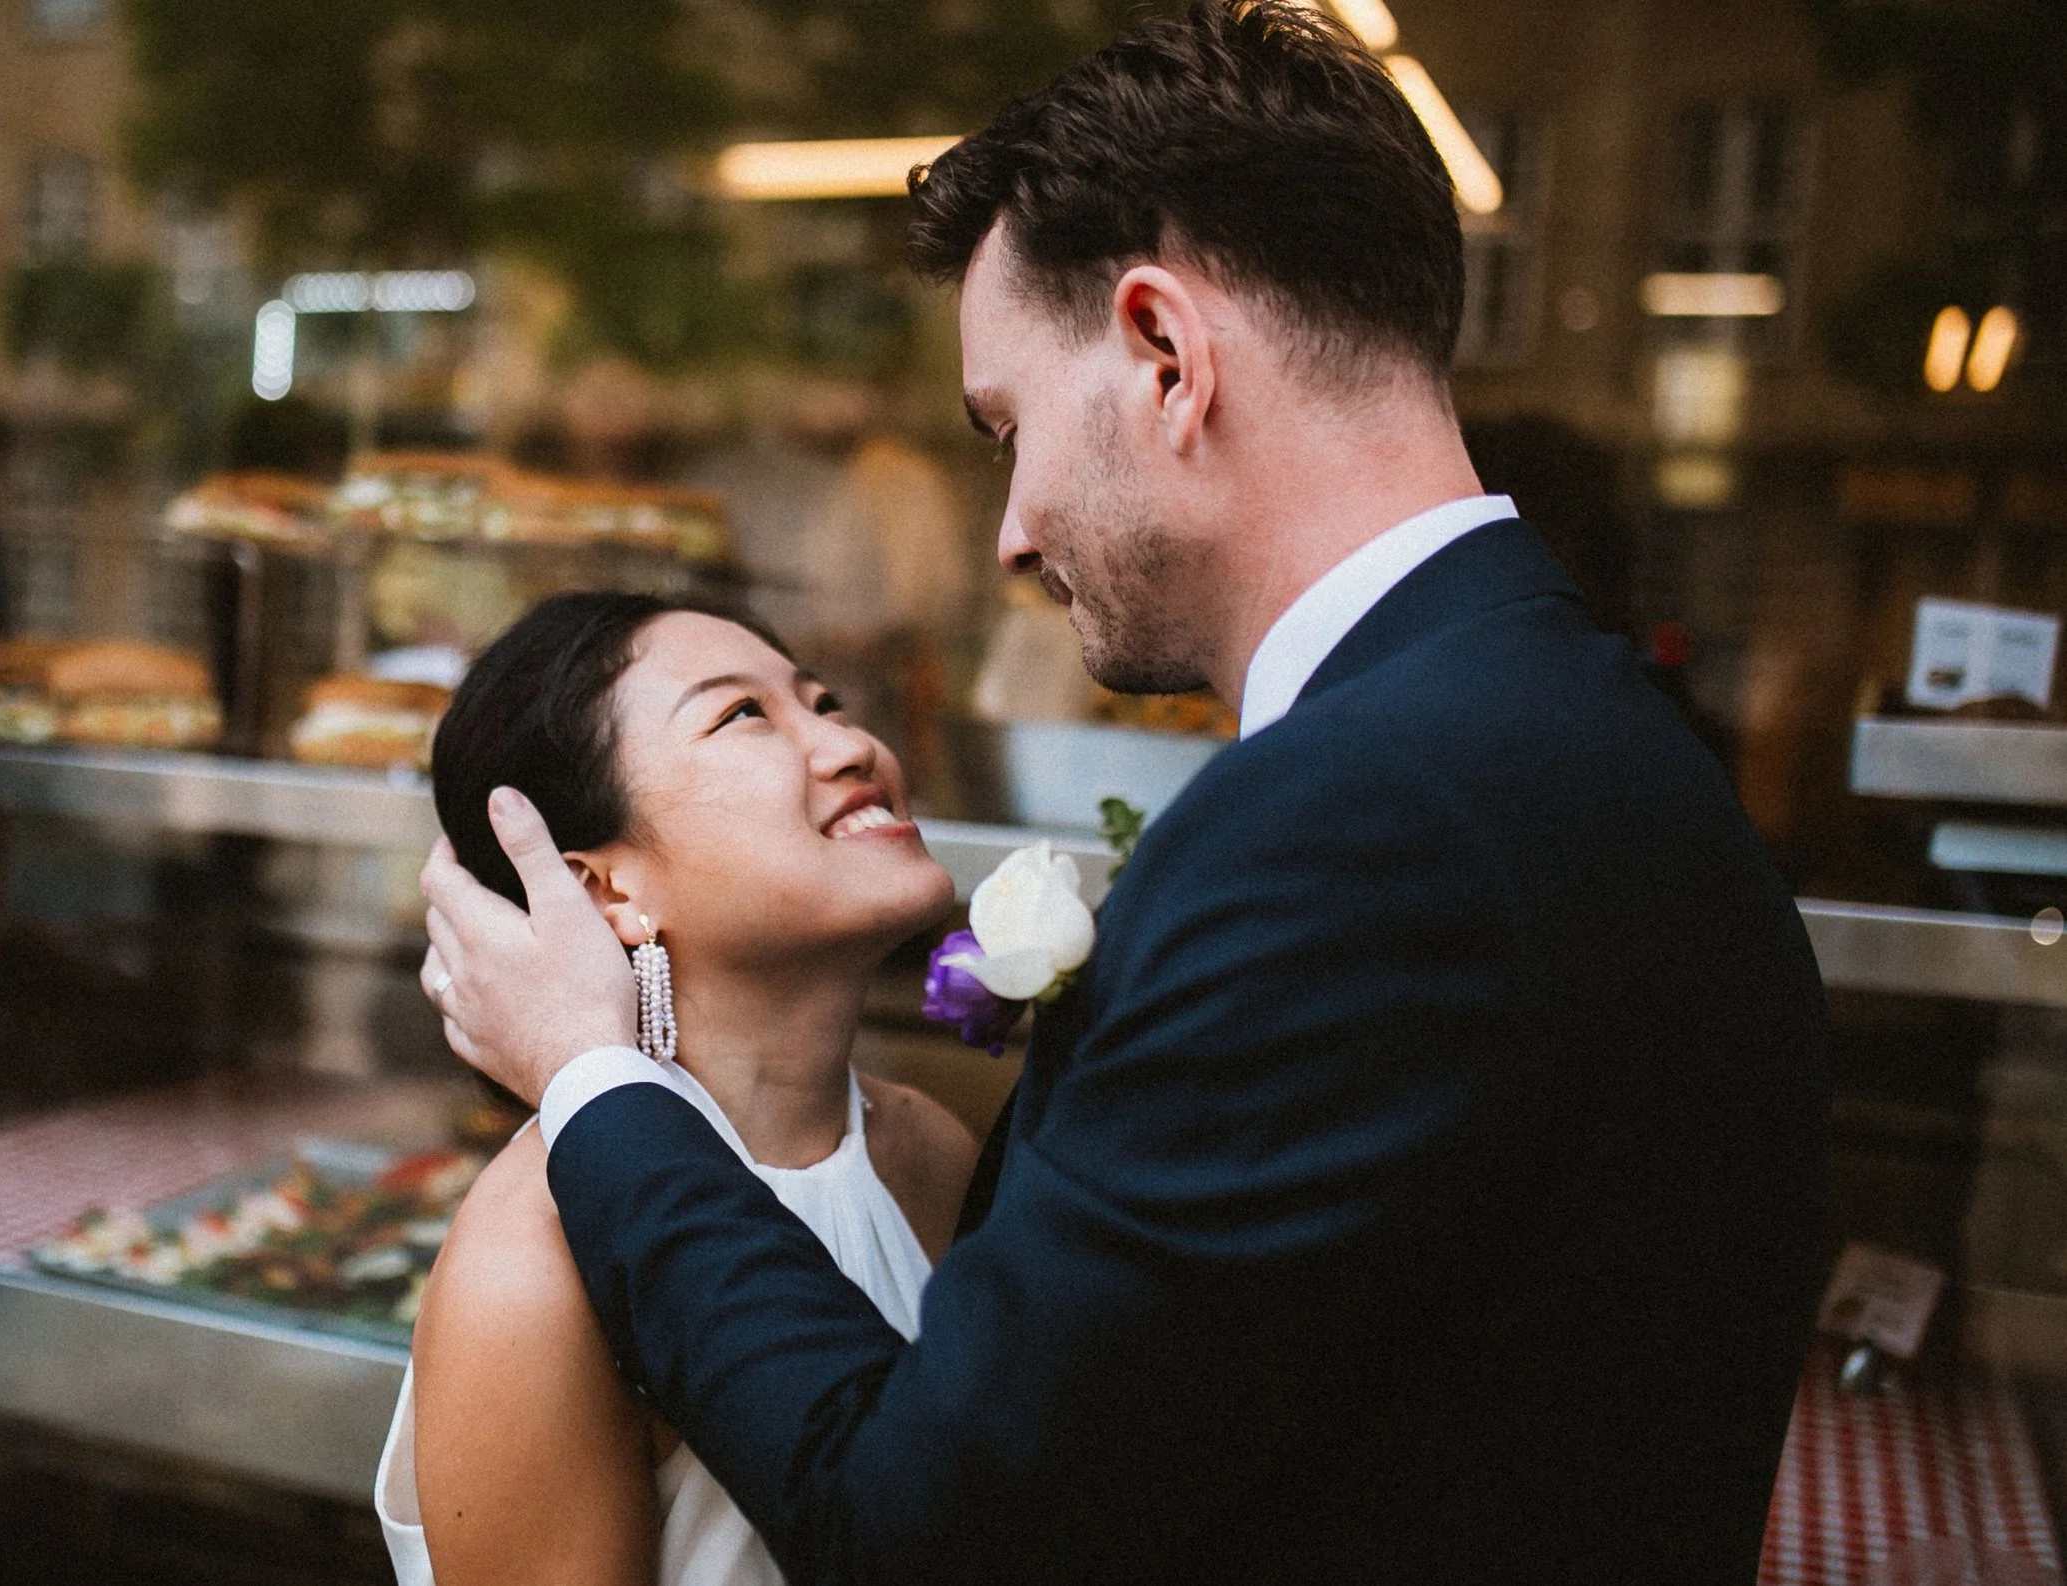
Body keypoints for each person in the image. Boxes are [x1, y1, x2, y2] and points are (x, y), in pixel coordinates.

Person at [417, 5, 1832, 1583]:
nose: (1013, 533)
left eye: (1008, 429)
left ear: (1165, 353)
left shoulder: (1354, 823)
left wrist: (601, 1080)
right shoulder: (1592, 740)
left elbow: (927, 1524)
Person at [382, 592, 980, 1584]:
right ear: (603, 888)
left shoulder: (931, 1146)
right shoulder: (536, 1260)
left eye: (823, 701)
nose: (850, 744)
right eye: (742, 713)